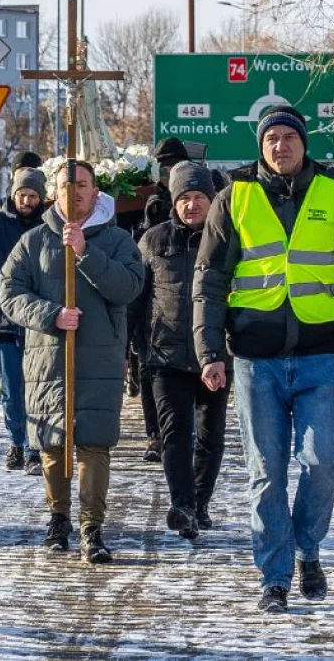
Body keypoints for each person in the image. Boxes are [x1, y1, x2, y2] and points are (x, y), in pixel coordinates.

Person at [193, 105, 334, 613]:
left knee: (322, 465)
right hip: (255, 359)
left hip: (320, 359)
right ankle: (274, 576)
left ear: (303, 143)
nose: (280, 146)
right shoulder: (234, 199)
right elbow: (209, 283)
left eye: (288, 137)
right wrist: (210, 351)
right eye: (271, 138)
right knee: (266, 472)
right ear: (261, 145)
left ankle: (308, 551)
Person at [0, 159, 144, 563]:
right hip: (49, 357)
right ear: (54, 192)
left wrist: (86, 253)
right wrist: (50, 315)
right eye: (66, 185)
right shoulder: (33, 242)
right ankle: (58, 517)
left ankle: (91, 527)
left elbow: (129, 286)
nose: (74, 191)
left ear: (95, 192)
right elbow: (9, 292)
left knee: (94, 442)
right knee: (53, 442)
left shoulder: (117, 241)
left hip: (99, 356)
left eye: (82, 185)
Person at [130, 162, 229, 537]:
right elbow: (136, 300)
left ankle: (201, 503)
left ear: (211, 199)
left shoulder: (226, 237)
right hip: (165, 356)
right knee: (175, 433)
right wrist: (134, 348)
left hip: (216, 356)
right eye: (184, 198)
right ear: (173, 202)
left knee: (210, 435)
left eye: (199, 197)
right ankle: (182, 505)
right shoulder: (152, 241)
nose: (192, 205)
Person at [0, 167, 47, 475]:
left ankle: (35, 447)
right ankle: (16, 441)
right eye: (23, 194)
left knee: (36, 386)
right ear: (14, 194)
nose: (27, 200)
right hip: (5, 320)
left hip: (39, 320)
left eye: (33, 196)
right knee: (11, 388)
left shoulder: (49, 225)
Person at [135, 138, 192, 462]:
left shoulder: (199, 192)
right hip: (153, 294)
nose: (169, 172)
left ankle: (181, 435)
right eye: (165, 166)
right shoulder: (151, 197)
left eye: (175, 166)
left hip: (187, 297)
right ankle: (154, 435)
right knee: (149, 372)